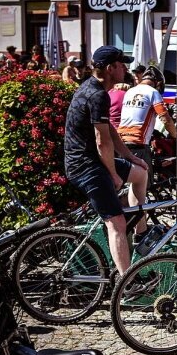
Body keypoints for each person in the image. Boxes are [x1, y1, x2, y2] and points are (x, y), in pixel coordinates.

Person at [64, 45, 149, 275]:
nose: (126, 69)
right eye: (123, 65)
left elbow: (109, 129)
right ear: (111, 68)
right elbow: (102, 141)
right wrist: (113, 174)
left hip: (93, 161)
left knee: (140, 174)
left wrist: (130, 157)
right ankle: (126, 281)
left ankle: (140, 229)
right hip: (85, 166)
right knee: (117, 224)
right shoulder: (97, 94)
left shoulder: (94, 88)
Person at [118, 65, 176, 191]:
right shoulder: (153, 92)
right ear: (158, 83)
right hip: (138, 142)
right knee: (143, 184)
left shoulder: (130, 91)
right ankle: (138, 209)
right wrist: (176, 135)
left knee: (123, 181)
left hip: (120, 141)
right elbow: (165, 118)